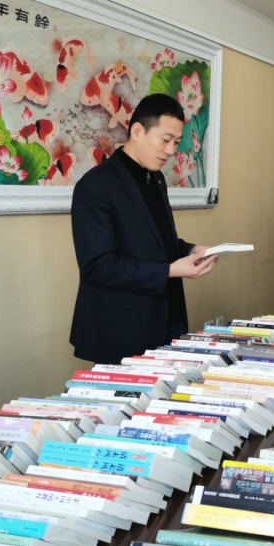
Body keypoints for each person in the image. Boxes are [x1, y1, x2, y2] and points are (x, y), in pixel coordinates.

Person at [69, 93, 216, 364]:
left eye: (176, 142)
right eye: (165, 140)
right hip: (122, 329)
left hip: (166, 319)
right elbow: (98, 265)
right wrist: (170, 271)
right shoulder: (95, 186)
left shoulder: (156, 179)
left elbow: (157, 241)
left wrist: (190, 250)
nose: (171, 151)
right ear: (137, 131)